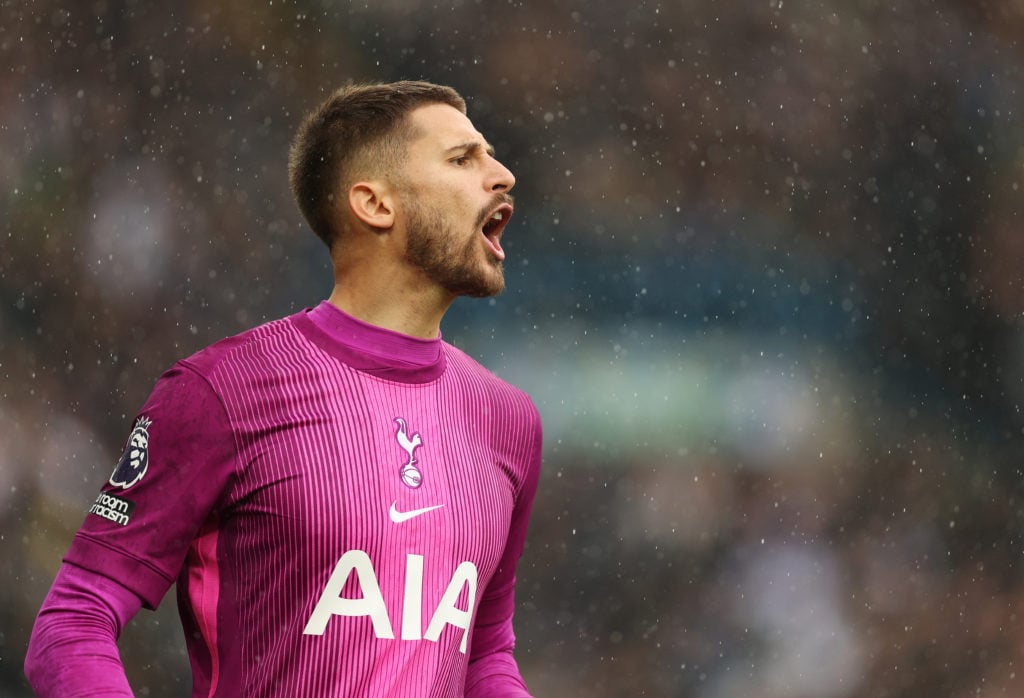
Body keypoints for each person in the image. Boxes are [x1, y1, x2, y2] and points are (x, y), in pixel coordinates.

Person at [24, 80, 543, 697]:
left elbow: (485, 656)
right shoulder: (222, 391)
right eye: (462, 159)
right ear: (374, 204)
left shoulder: (507, 421)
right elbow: (73, 621)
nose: (503, 174)